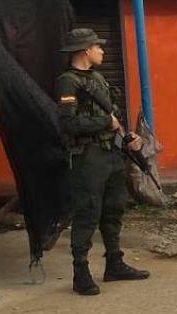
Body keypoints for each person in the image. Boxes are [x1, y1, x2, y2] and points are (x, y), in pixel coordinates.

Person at [55, 28, 149, 296]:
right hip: (88, 158)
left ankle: (114, 263)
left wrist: (128, 136)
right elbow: (68, 123)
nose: (102, 51)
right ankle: (80, 272)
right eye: (98, 47)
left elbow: (112, 116)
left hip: (112, 153)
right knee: (87, 212)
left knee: (113, 208)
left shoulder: (97, 78)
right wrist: (105, 123)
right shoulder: (67, 82)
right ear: (85, 50)